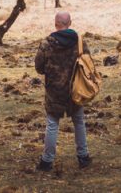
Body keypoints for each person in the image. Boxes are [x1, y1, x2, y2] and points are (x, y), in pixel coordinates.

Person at [34, 11, 92, 171]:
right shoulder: (80, 42)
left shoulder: (47, 43)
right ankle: (83, 157)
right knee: (79, 122)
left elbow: (39, 68)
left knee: (52, 125)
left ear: (55, 24)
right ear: (70, 23)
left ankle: (46, 162)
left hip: (54, 91)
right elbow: (87, 64)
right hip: (76, 89)